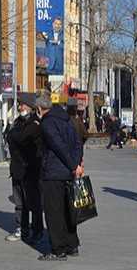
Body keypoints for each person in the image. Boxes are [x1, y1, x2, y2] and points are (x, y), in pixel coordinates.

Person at [39, 98, 84, 260]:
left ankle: (58, 249)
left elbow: (58, 146)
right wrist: (77, 164)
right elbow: (78, 143)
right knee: (68, 210)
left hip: (53, 172)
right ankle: (72, 245)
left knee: (54, 212)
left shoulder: (47, 123)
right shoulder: (67, 120)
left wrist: (73, 165)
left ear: (39, 107)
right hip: (69, 172)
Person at [5, 95, 46, 243]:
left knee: (34, 203)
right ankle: (21, 229)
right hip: (17, 169)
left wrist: (15, 135)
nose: (20, 108)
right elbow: (9, 136)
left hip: (32, 169)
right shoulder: (17, 121)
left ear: (31, 106)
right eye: (20, 105)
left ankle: (37, 231)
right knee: (19, 203)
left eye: (23, 105)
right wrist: (14, 135)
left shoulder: (36, 122)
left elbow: (22, 138)